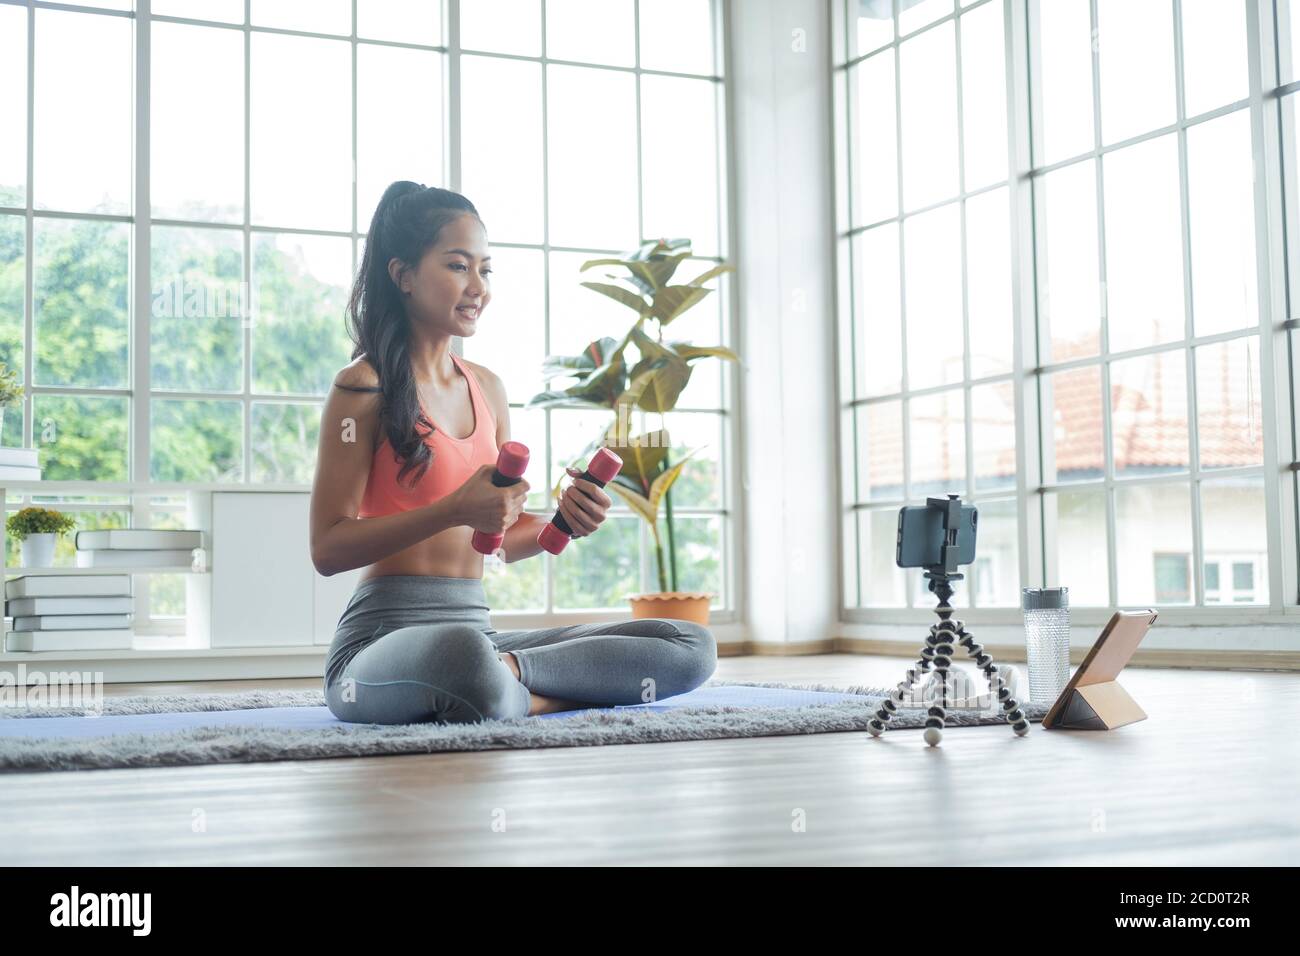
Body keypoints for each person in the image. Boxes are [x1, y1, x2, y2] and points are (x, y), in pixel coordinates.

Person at [309, 181, 717, 724]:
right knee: (462, 658)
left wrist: (562, 524)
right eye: (458, 266)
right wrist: (452, 509)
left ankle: (511, 683)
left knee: (688, 642)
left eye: (485, 269)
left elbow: (498, 540)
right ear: (402, 274)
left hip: (481, 635)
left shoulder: (488, 388)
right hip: (384, 640)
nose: (478, 286)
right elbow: (327, 549)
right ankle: (523, 691)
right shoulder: (361, 389)